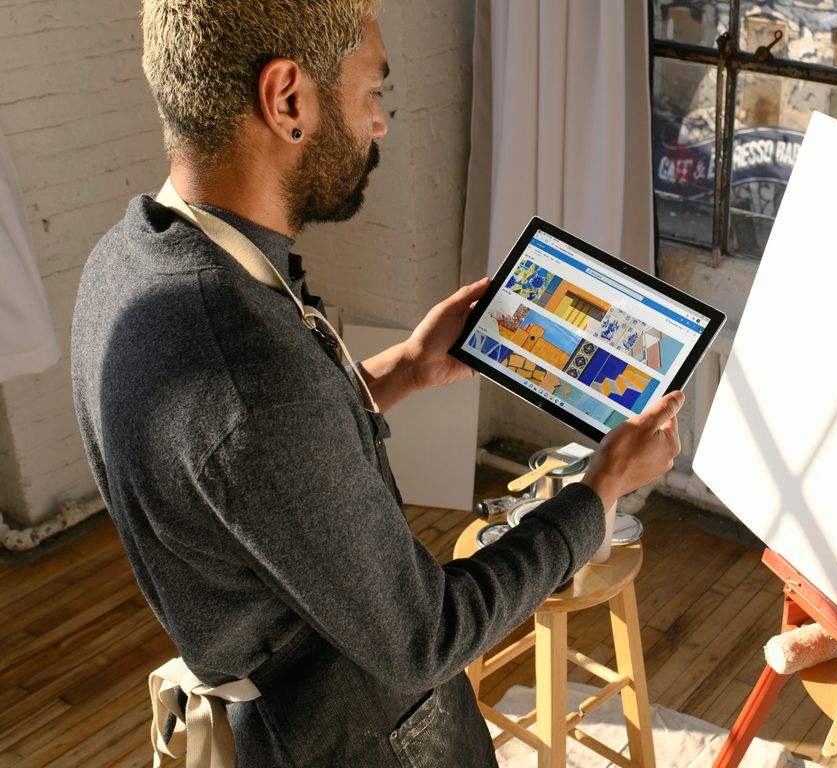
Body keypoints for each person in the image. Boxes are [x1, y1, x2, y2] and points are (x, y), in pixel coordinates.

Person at [69, 1, 682, 765]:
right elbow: (427, 637)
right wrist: (600, 492)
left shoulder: (127, 262)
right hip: (358, 737)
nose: (380, 123)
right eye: (373, 93)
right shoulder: (251, 379)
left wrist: (403, 371)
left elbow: (253, 475)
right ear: (289, 100)